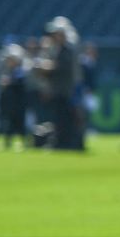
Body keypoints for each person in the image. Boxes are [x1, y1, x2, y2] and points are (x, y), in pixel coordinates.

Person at [31, 19, 83, 150]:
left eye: (55, 34)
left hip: (65, 90)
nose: (53, 37)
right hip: (58, 90)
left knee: (66, 118)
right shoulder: (57, 49)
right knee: (59, 119)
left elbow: (60, 68)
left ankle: (66, 143)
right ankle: (61, 142)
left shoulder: (67, 50)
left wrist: (45, 67)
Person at [0, 35, 30, 150]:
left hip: (18, 103)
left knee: (19, 123)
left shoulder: (19, 71)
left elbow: (19, 83)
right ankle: (7, 142)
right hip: (10, 103)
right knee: (8, 123)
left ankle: (24, 143)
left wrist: (9, 82)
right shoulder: (9, 71)